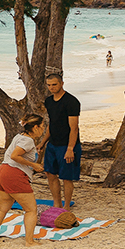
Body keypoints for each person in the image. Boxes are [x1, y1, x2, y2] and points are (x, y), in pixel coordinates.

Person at [0, 115, 47, 247]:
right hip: (14, 174)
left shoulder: (19, 137)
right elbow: (15, 155)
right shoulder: (28, 141)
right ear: (35, 127)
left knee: (2, 208)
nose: (44, 129)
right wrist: (34, 165)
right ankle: (30, 241)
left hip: (2, 171)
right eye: (42, 127)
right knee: (31, 210)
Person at [42, 72, 82, 215]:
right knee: (50, 174)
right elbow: (51, 124)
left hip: (67, 145)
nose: (51, 87)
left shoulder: (71, 102)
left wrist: (70, 148)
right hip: (52, 144)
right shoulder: (48, 101)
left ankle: (66, 206)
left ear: (62, 84)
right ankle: (56, 203)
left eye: (54, 84)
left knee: (66, 177)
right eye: (49, 85)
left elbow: (74, 128)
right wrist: (43, 143)